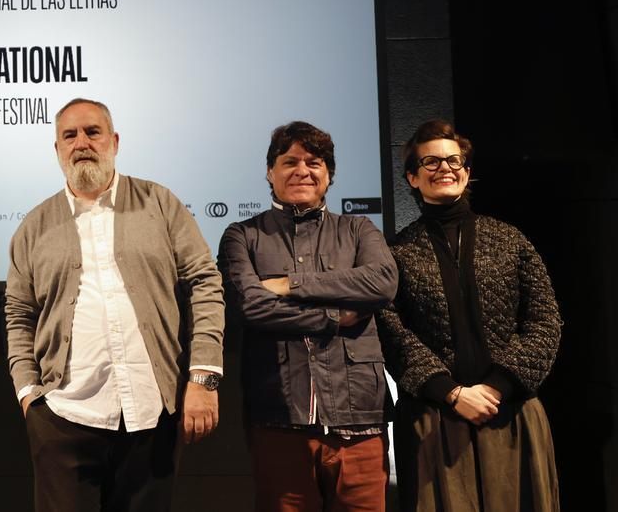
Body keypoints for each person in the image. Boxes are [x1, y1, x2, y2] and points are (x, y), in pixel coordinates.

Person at [5, 98, 225, 512]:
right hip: (63, 416)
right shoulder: (33, 225)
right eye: (69, 135)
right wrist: (28, 394)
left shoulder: (159, 203)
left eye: (93, 132)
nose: (82, 143)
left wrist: (204, 377)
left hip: (151, 414)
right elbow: (19, 314)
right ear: (57, 149)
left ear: (115, 141)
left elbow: (204, 282)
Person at [376, 119, 561, 511]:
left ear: (467, 171)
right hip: (436, 418)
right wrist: (451, 392)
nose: (445, 168)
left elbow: (545, 321)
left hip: (511, 413)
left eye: (454, 160)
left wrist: (495, 387)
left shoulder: (510, 240)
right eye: (430, 162)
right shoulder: (397, 252)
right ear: (412, 177)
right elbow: (390, 331)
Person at [217, 121, 396, 512]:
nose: (302, 170)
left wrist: (288, 284)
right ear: (270, 171)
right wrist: (333, 317)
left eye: (314, 162)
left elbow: (382, 282)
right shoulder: (242, 235)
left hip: (359, 422)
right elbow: (249, 304)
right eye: (290, 161)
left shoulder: (358, 228)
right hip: (280, 421)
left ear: (328, 174)